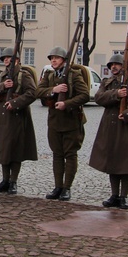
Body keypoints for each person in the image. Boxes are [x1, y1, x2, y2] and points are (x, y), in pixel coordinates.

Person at [88, 54, 128, 210]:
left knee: (126, 162)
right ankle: (114, 194)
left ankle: (124, 196)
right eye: (111, 65)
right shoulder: (107, 82)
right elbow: (99, 98)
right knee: (112, 161)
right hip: (110, 125)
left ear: (124, 66)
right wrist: (116, 94)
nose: (113, 67)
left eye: (117, 64)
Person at [35, 46, 89, 201]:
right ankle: (58, 186)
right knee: (57, 154)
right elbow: (38, 91)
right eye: (51, 58)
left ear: (64, 60)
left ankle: (67, 188)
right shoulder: (49, 75)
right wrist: (54, 89)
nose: (53, 60)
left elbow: (85, 95)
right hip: (54, 121)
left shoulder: (74, 75)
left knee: (70, 154)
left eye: (56, 58)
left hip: (71, 120)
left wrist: (67, 103)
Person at [0, 47, 37, 195]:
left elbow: (32, 93)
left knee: (15, 149)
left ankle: (13, 181)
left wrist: (16, 103)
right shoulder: (0, 75)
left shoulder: (24, 75)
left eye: (9, 58)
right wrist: (3, 86)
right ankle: (5, 179)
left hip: (17, 115)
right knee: (3, 148)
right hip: (2, 114)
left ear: (16, 60)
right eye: (4, 58)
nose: (6, 61)